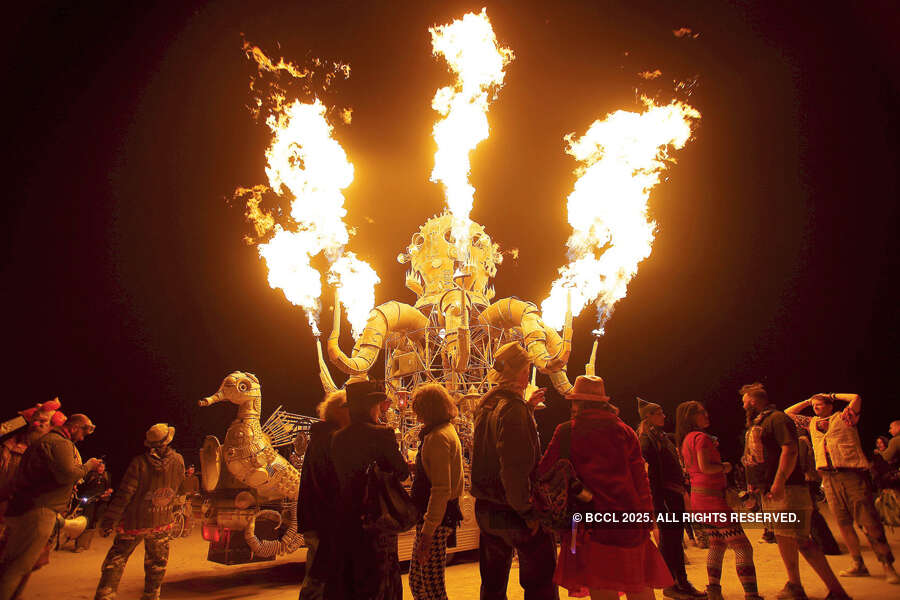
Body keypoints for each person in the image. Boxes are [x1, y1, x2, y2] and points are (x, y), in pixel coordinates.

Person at [537, 377, 672, 600]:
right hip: (630, 521)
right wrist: (647, 518)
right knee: (638, 585)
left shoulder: (566, 432)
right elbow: (641, 480)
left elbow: (544, 473)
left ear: (578, 403)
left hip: (590, 523)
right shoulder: (626, 431)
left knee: (602, 587)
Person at [743, 384, 850, 600]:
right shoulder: (761, 422)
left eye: (744, 401)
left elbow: (789, 449)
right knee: (785, 537)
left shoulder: (777, 419)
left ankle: (837, 592)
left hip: (789, 490)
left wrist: (779, 481)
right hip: (775, 490)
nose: (742, 405)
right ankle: (795, 585)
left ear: (753, 401)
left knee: (802, 540)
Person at [471, 342, 558, 600]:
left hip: (488, 509)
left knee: (493, 585)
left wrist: (527, 409)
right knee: (540, 583)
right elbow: (514, 468)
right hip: (514, 510)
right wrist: (527, 512)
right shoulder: (513, 409)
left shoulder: (487, 404)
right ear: (522, 371)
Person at [785, 392, 900, 584]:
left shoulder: (845, 417)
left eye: (819, 405)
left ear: (830, 405)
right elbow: (788, 413)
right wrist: (808, 400)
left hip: (852, 474)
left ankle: (887, 565)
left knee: (868, 522)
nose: (816, 408)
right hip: (828, 477)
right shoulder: (812, 423)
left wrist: (832, 395)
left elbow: (856, 398)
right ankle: (858, 563)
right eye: (814, 406)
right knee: (843, 522)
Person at [0, 413, 101, 600]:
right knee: (17, 567)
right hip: (39, 512)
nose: (83, 437)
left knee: (19, 564)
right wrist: (88, 466)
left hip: (25, 508)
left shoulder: (43, 443)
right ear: (73, 427)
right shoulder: (59, 444)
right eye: (83, 432)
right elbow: (67, 474)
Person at [331, 381, 409, 600]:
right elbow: (401, 472)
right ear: (371, 407)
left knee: (354, 582)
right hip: (377, 520)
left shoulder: (338, 438)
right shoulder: (382, 434)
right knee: (381, 582)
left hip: (347, 519)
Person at [677, 401, 759, 600]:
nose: (707, 415)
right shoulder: (701, 439)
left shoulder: (686, 439)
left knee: (717, 543)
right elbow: (707, 467)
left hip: (699, 499)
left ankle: (714, 589)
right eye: (702, 413)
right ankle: (751, 594)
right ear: (692, 417)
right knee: (742, 546)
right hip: (713, 499)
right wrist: (725, 466)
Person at [94, 423, 185, 600]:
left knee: (116, 560)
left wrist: (109, 521)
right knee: (157, 564)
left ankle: (106, 595)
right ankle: (151, 596)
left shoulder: (139, 463)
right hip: (162, 521)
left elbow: (124, 495)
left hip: (134, 523)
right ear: (167, 441)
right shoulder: (179, 461)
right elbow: (179, 488)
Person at [636, 398, 704, 599]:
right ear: (648, 417)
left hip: (673, 496)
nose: (664, 416)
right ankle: (672, 584)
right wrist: (656, 500)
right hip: (663, 498)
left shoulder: (662, 437)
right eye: (659, 413)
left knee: (675, 540)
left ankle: (680, 582)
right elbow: (648, 472)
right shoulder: (646, 440)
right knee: (670, 541)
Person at [409, 383, 464, 600]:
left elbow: (441, 489)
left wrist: (428, 532)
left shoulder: (437, 437)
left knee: (429, 585)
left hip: (435, 519)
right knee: (420, 580)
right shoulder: (445, 431)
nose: (417, 416)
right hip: (438, 516)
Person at [297, 389, 349, 600]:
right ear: (340, 411)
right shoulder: (331, 439)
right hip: (323, 521)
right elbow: (331, 483)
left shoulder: (321, 437)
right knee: (319, 577)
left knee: (321, 575)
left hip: (317, 519)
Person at [0, 399, 65, 520]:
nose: (36, 424)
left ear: (52, 426)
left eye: (43, 421)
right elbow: (3, 429)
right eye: (34, 420)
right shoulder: (8, 446)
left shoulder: (50, 454)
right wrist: (20, 421)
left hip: (18, 513)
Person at [73, 461, 114, 552]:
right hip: (89, 500)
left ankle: (86, 543)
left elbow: (109, 487)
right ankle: (80, 545)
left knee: (94, 522)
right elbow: (82, 485)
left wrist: (108, 491)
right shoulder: (89, 475)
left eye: (102, 467)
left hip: (101, 501)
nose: (100, 469)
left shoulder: (106, 476)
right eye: (99, 467)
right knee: (86, 520)